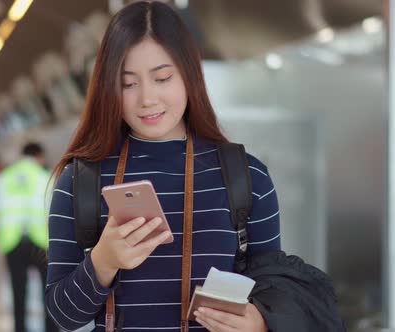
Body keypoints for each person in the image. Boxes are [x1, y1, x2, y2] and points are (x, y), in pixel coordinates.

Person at [44, 2, 281, 331]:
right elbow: (63, 316)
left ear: (189, 75)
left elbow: (276, 291)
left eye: (162, 78)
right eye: (128, 84)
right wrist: (104, 260)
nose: (147, 99)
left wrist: (261, 322)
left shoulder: (246, 176)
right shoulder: (81, 180)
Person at [0, 142, 56, 332]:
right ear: (40, 156)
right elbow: (54, 212)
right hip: (41, 242)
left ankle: (20, 328)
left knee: (18, 291)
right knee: (49, 293)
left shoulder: (4, 177)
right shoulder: (45, 176)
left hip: (12, 240)